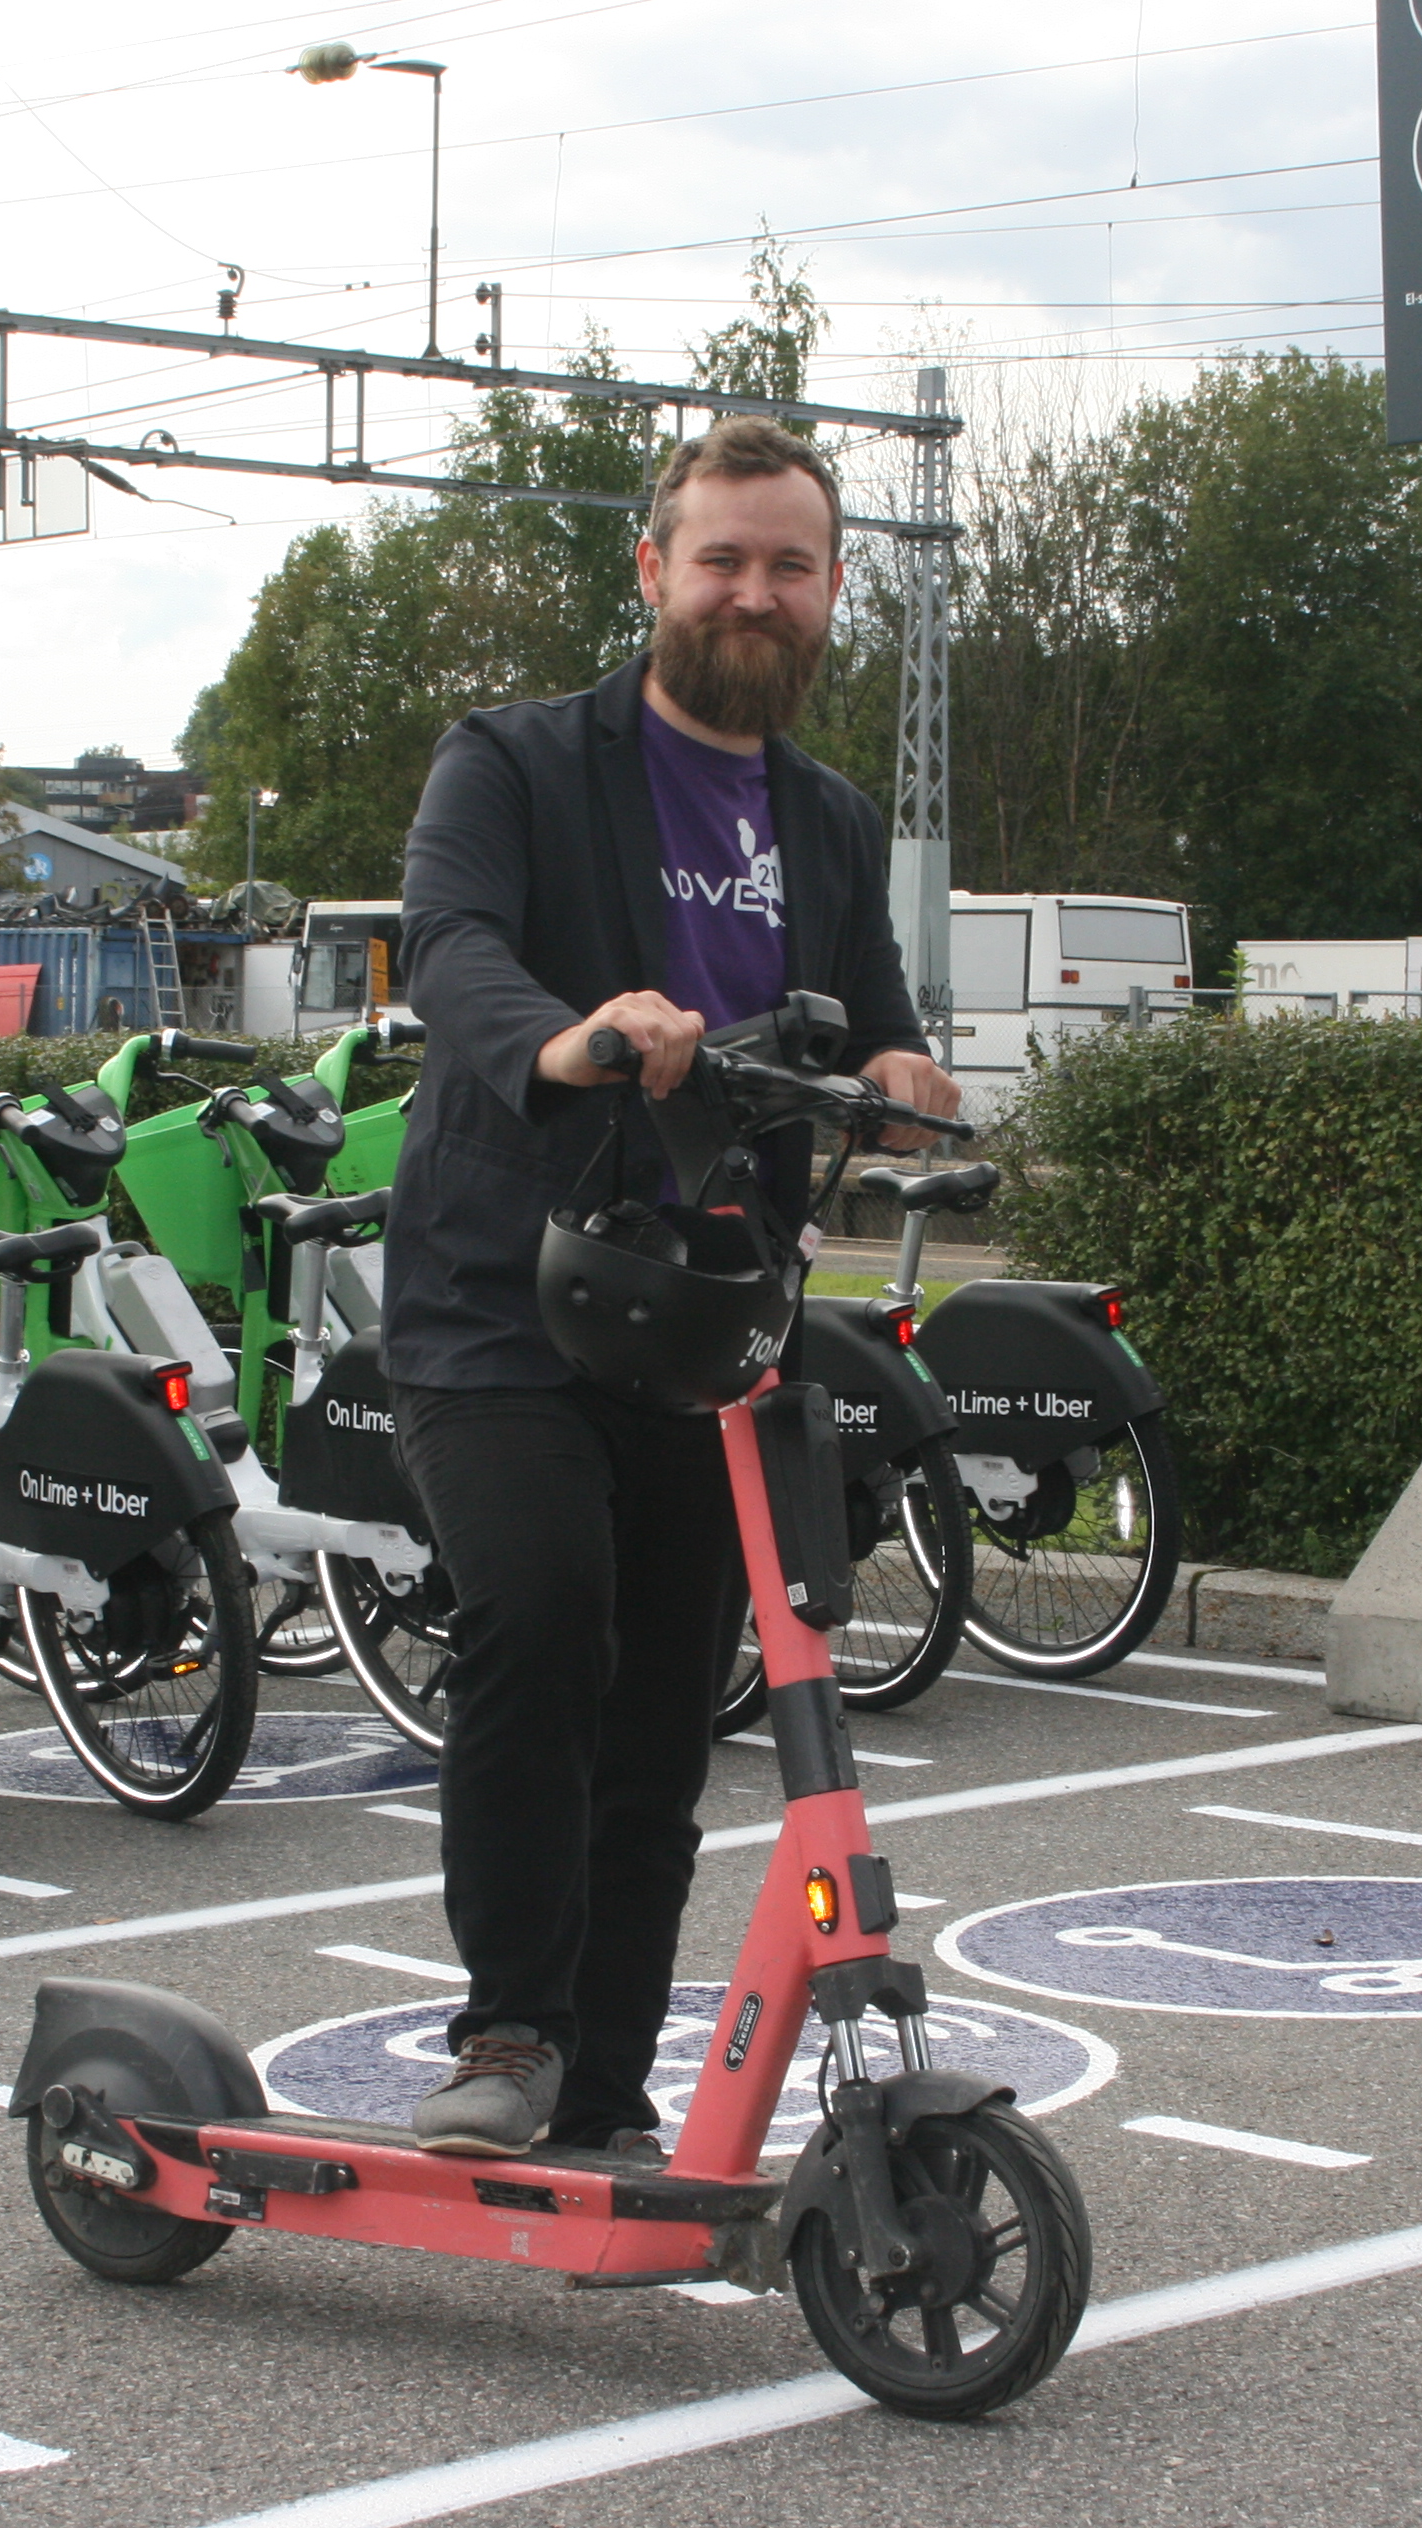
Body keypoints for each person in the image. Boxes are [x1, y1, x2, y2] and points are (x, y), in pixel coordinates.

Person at [382, 414, 962, 2159]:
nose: (753, 594)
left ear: (833, 589)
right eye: (722, 559)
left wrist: (903, 1075)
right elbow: (450, 947)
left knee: (663, 1713)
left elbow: (872, 1020)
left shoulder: (829, 820)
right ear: (654, 569)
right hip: (506, 1294)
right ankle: (510, 2030)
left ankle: (604, 2086)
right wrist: (571, 1037)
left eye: (791, 566)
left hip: (707, 1318)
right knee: (544, 1610)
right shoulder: (516, 762)